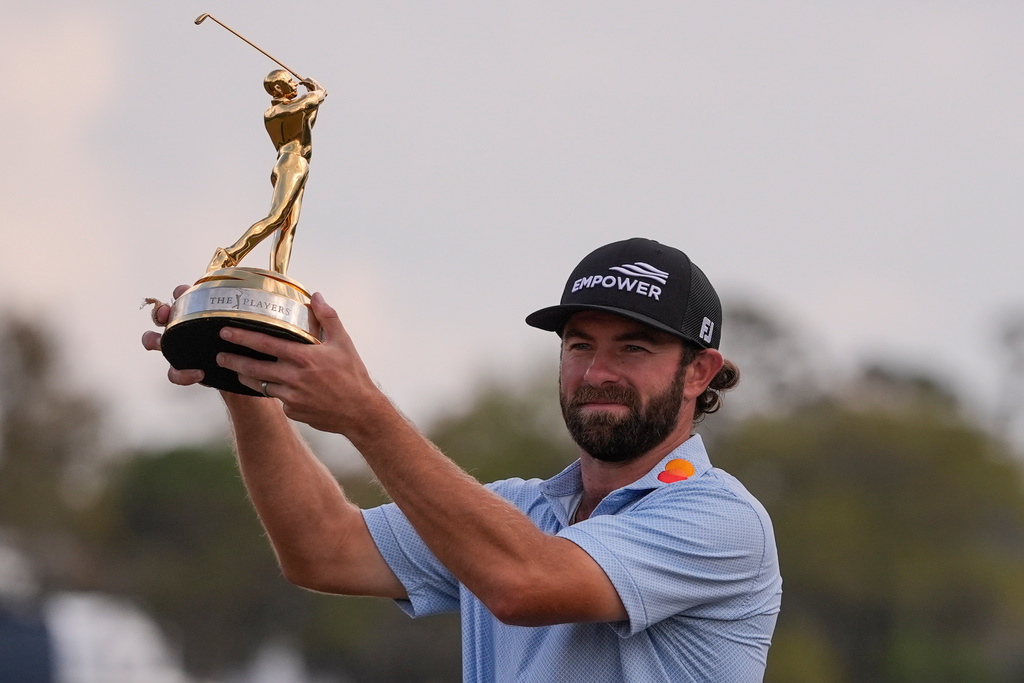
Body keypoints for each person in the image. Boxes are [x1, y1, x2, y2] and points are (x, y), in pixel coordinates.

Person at [143, 237, 782, 682]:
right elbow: (321, 547)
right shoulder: (514, 513)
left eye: (634, 349)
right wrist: (244, 383)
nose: (597, 371)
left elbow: (524, 584)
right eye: (580, 344)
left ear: (700, 371)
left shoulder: (721, 520)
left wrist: (364, 412)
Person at [207, 70, 327, 275]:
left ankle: (278, 276)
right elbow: (307, 104)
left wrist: (316, 94)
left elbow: (308, 117)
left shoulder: (294, 110)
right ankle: (228, 254)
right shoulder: (274, 113)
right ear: (278, 88)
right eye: (290, 81)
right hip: (290, 163)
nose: (295, 84)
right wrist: (318, 92)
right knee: (276, 217)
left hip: (300, 164)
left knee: (288, 227)